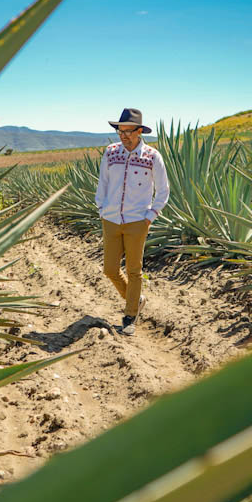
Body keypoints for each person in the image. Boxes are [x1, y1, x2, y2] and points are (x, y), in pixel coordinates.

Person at [95, 108, 170, 336]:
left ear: (139, 131)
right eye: (120, 130)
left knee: (134, 270)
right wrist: (101, 208)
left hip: (138, 221)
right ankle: (137, 301)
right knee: (109, 269)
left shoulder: (152, 156)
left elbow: (163, 189)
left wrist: (150, 216)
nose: (123, 135)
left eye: (128, 131)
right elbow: (103, 183)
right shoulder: (110, 153)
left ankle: (129, 317)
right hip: (110, 219)